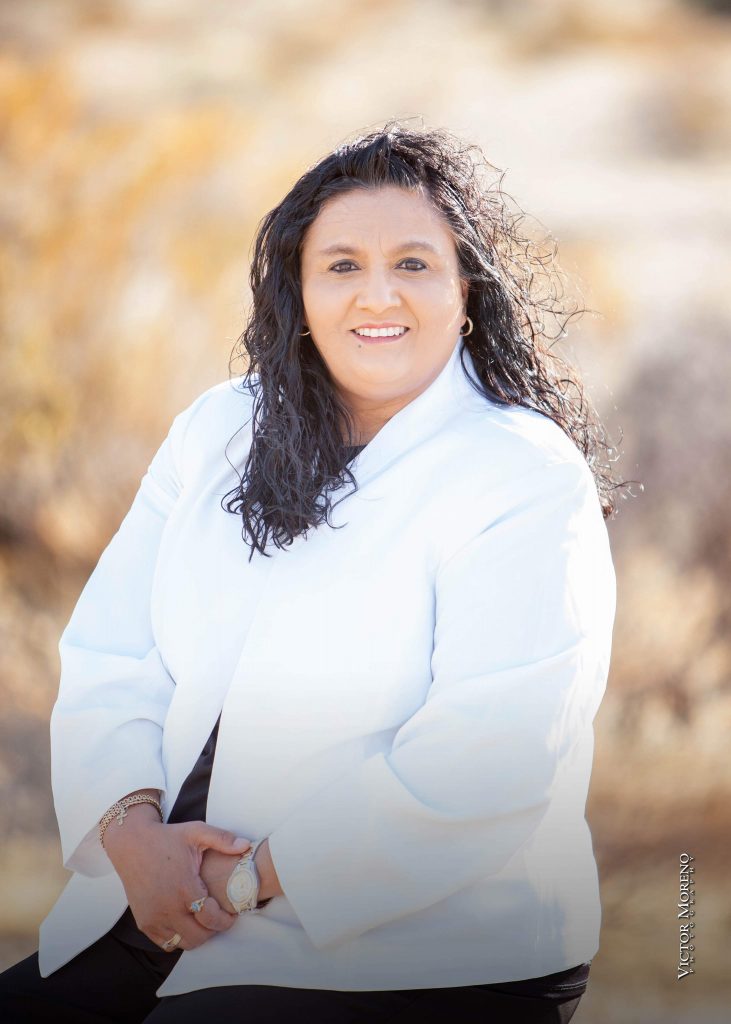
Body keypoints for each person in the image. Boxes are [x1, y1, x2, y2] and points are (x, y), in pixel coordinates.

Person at [0, 123, 619, 1022]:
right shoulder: (217, 429)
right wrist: (131, 835)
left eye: (414, 264)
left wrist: (243, 880)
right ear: (297, 289)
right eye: (341, 265)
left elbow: (489, 761)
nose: (378, 294)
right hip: (167, 905)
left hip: (427, 950)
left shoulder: (522, 473)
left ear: (466, 292)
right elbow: (111, 654)